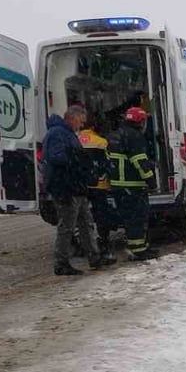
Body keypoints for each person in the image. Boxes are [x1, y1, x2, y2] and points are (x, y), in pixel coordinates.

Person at [45, 107, 105, 275]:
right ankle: (61, 263)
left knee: (86, 223)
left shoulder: (67, 133)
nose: (82, 123)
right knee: (68, 227)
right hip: (65, 188)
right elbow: (56, 158)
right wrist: (77, 158)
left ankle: (95, 257)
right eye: (81, 120)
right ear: (72, 118)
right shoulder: (58, 134)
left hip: (76, 187)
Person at [108, 106, 159, 261]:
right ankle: (138, 250)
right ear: (140, 121)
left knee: (130, 218)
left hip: (119, 185)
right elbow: (140, 162)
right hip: (132, 184)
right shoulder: (135, 136)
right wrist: (151, 181)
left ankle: (139, 247)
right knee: (137, 218)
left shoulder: (115, 134)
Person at [75, 110, 117, 262]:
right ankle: (104, 243)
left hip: (81, 186)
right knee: (101, 216)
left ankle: (82, 245)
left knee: (82, 217)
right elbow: (108, 164)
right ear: (93, 126)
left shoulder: (74, 140)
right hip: (99, 186)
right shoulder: (101, 142)